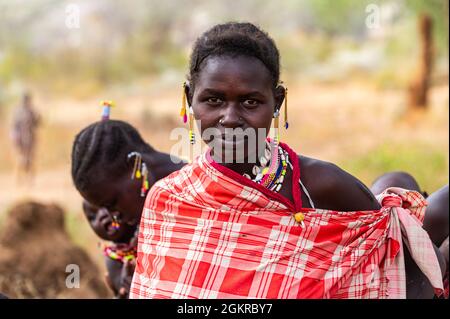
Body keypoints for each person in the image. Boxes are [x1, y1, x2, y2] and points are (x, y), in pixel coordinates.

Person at [130, 22, 444, 299]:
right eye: (213, 100)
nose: (229, 119)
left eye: (250, 102)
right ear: (189, 98)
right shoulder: (168, 201)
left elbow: (389, 257)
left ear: (277, 102)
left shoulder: (321, 185)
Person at [72, 112, 186, 298]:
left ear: (135, 166)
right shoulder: (141, 215)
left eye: (112, 203)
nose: (114, 217)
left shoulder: (199, 196)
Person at [10, 92, 40, 183]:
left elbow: (37, 124)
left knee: (30, 158)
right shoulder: (18, 112)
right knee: (21, 158)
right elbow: (14, 126)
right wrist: (16, 138)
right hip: (20, 139)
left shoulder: (31, 111)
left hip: (30, 138)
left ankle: (30, 180)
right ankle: (18, 179)